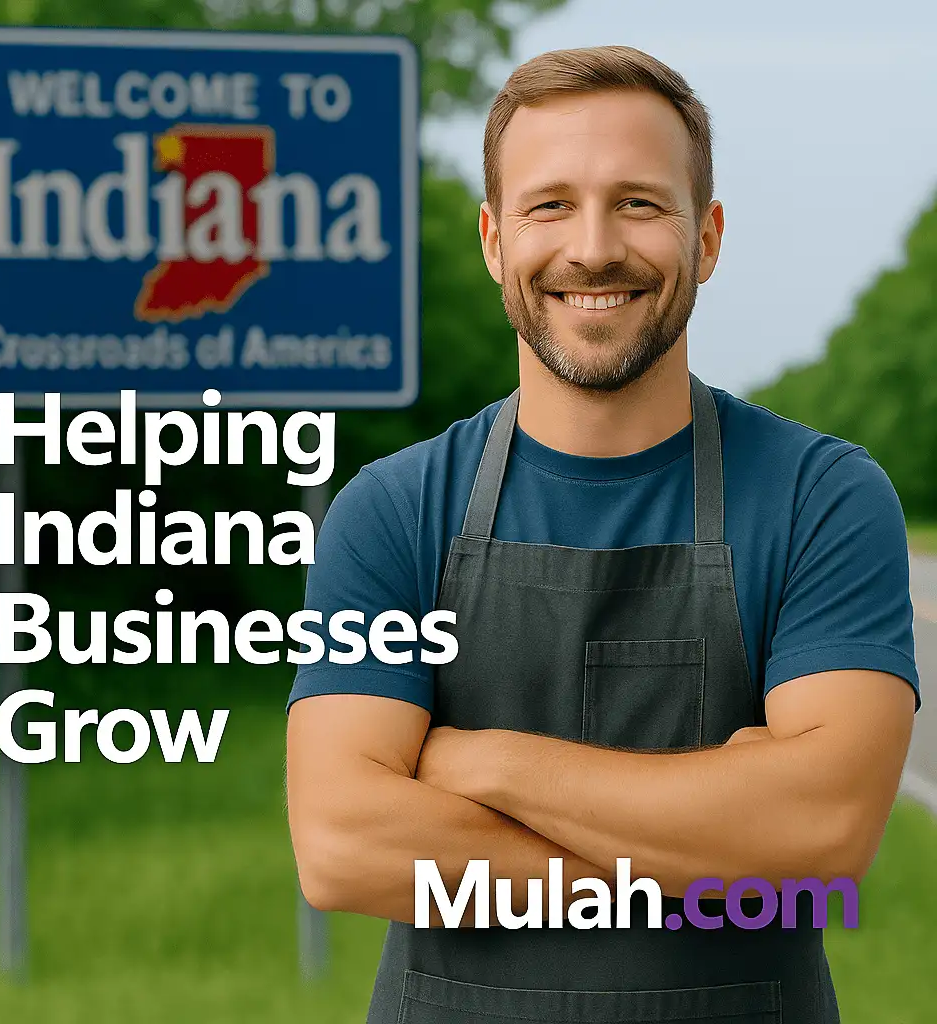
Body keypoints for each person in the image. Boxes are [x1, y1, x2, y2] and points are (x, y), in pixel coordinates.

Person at [285, 45, 920, 1024]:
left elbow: (820, 830)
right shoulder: (392, 509)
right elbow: (341, 845)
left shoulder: (820, 497)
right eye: (548, 205)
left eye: (637, 202)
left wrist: (483, 764)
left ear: (705, 238)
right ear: (494, 241)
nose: (591, 247)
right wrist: (711, 846)